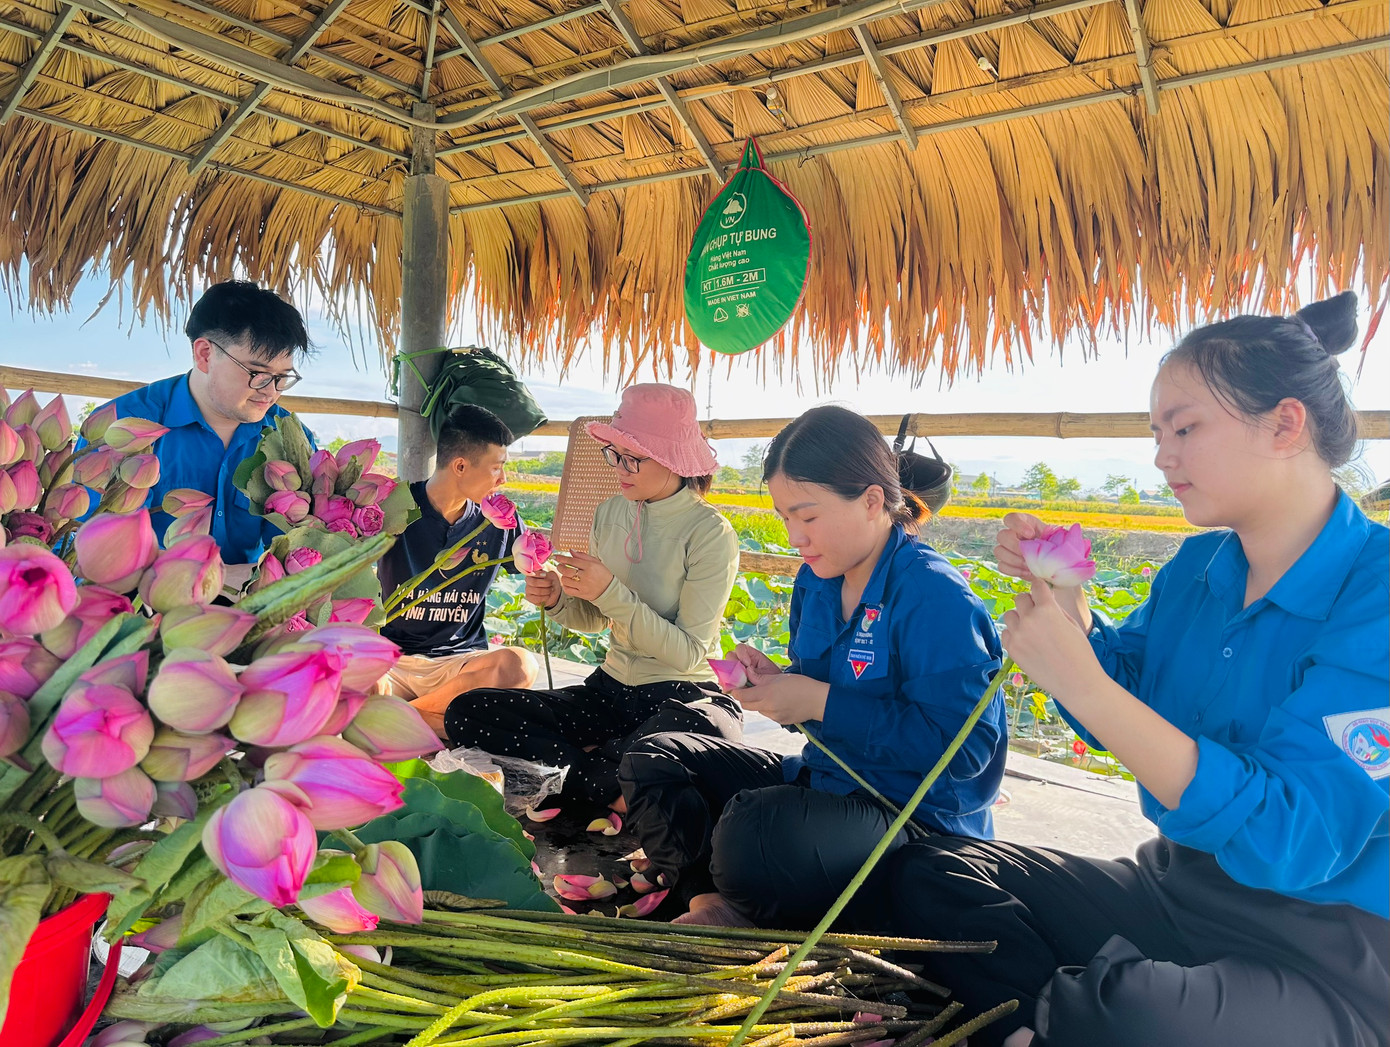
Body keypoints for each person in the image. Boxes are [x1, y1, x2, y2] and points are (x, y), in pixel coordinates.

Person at [849, 293, 1389, 1047]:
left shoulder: (1378, 590)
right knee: (936, 873)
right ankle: (1057, 1018)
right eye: (1156, 432)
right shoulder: (1198, 567)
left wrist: (1083, 681)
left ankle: (1065, 1011)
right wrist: (1070, 606)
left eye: (1185, 427)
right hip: (1177, 886)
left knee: (1136, 1012)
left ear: (1286, 423)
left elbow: (1290, 836)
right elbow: (1124, 703)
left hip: (1330, 947)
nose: (1163, 455)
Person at [618, 405, 1008, 928]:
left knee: (753, 827)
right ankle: (711, 896)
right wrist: (779, 684)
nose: (794, 536)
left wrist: (822, 702)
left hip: (910, 819)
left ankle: (731, 893)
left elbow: (968, 752)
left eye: (808, 516)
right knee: (656, 760)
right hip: (825, 782)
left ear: (872, 501)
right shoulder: (818, 581)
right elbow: (820, 691)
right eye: (784, 517)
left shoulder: (933, 598)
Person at [440, 384, 744, 814]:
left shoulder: (710, 533)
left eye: (631, 457)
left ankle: (591, 772)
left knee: (698, 733)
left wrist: (609, 591)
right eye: (613, 454)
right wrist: (559, 600)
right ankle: (614, 780)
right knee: (469, 712)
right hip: (610, 691)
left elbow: (688, 651)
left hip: (681, 693)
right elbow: (597, 620)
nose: (618, 468)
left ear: (673, 457)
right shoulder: (610, 512)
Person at [86, 281, 314, 572]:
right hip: (138, 607)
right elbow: (91, 550)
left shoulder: (290, 439)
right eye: (258, 373)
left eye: (283, 377)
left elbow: (292, 551)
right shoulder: (123, 426)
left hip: (251, 604)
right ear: (205, 354)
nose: (271, 392)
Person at [375, 404, 538, 734]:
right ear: (460, 465)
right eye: (497, 468)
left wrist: (550, 584)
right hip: (391, 663)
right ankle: (445, 723)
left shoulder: (499, 521)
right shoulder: (394, 506)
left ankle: (400, 720)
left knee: (519, 665)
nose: (503, 479)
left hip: (459, 666)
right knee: (345, 671)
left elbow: (535, 571)